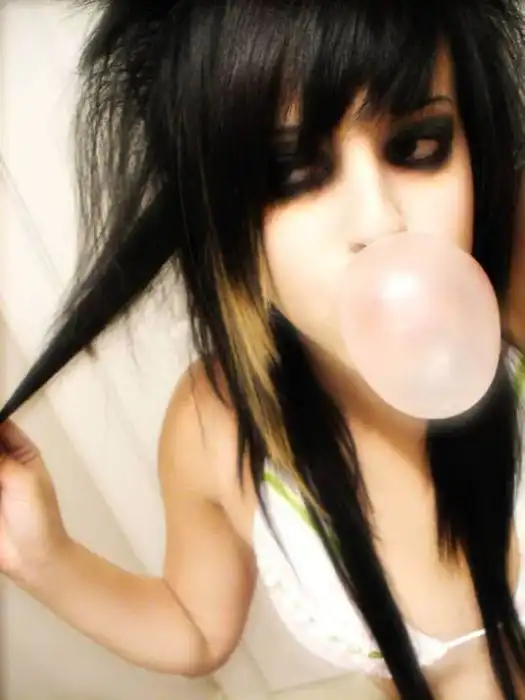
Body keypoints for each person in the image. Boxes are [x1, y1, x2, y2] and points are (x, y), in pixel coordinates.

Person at [1, 1, 525, 698]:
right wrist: (44, 557)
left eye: (418, 146)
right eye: (293, 172)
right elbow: (196, 627)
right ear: (223, 217)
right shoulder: (214, 426)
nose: (380, 221)